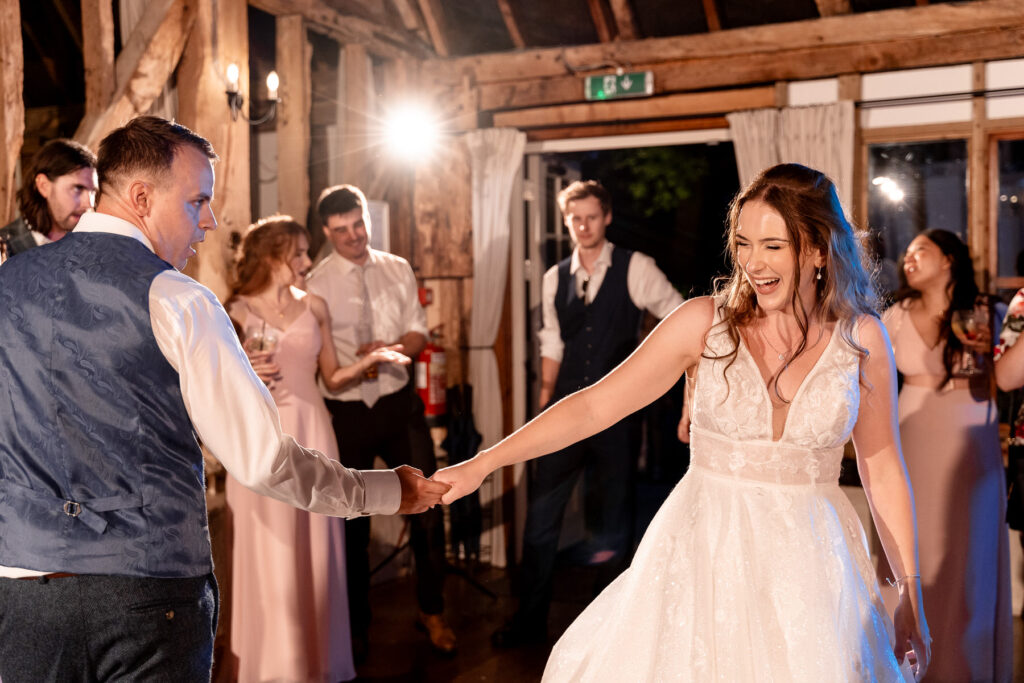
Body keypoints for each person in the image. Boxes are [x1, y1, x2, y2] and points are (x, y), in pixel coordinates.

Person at [435, 163, 930, 681]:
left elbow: (882, 468)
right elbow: (593, 407)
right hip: (703, 561)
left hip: (811, 574)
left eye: (773, 246)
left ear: (819, 250)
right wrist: (483, 463)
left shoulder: (862, 339)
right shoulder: (703, 324)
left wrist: (910, 592)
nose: (753, 263)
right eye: (744, 244)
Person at [0, 116, 448, 682]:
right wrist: (384, 490)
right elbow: (262, 460)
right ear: (141, 198)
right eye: (198, 201)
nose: (210, 220)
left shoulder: (7, 283)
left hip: (20, 591)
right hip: (144, 593)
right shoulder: (179, 298)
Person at [493, 179, 683, 648]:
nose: (583, 226)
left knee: (613, 522)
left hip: (618, 415)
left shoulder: (636, 267)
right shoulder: (554, 277)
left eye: (592, 217)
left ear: (607, 217)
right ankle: (530, 622)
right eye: (575, 219)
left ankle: (608, 633)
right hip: (565, 411)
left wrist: (646, 371)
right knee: (541, 518)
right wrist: (544, 402)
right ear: (567, 222)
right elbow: (552, 342)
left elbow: (678, 317)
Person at [226, 216, 412, 682]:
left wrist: (370, 361)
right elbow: (220, 384)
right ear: (273, 257)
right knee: (268, 546)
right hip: (261, 436)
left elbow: (332, 378)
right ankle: (270, 667)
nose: (308, 261)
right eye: (300, 253)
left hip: (313, 430)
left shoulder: (316, 306)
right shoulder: (234, 311)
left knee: (317, 548)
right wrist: (245, 371)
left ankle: (319, 663)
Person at [305, 184, 455, 658]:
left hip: (396, 402)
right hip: (346, 411)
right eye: (342, 230)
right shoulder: (315, 283)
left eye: (359, 224)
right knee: (351, 518)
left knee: (429, 501)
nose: (354, 236)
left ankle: (432, 610)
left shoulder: (398, 268)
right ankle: (355, 629)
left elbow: (418, 333)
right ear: (326, 232)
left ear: (367, 218)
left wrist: (391, 348)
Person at [878, 229, 1011, 681]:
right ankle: (904, 663)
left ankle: (960, 667)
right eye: (907, 253)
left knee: (966, 553)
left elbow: (1010, 373)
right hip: (912, 435)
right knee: (912, 544)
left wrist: (995, 348)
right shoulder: (894, 316)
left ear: (949, 259)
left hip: (970, 439)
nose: (909, 258)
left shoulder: (987, 312)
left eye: (922, 251)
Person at [0, 138, 97, 258]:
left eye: (93, 191)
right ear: (43, 186)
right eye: (78, 188)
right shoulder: (5, 250)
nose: (89, 203)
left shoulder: (93, 245)